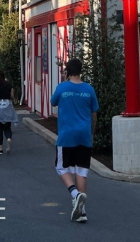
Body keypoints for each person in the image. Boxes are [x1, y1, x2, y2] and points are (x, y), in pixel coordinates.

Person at [50, 58, 99, 223]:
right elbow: (94, 113)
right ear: (80, 71)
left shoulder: (62, 88)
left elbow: (53, 102)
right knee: (81, 171)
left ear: (67, 71)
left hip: (67, 135)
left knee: (61, 167)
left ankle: (75, 194)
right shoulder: (89, 89)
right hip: (84, 134)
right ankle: (81, 211)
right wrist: (92, 132)